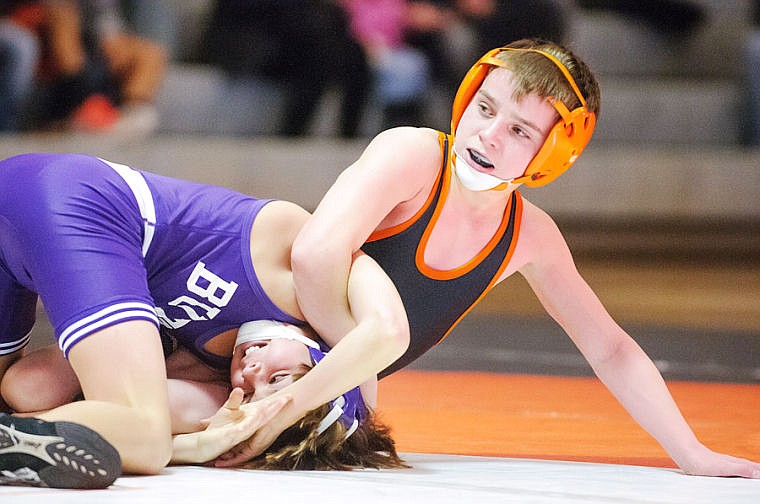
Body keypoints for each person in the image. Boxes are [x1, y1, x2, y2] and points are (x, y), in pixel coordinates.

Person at [279, 38, 760, 479]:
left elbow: (610, 348)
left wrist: (691, 452)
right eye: (484, 108)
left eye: (519, 130)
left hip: (284, 364)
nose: (489, 135)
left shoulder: (529, 236)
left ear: (552, 154)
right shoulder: (412, 155)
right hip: (231, 309)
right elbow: (314, 256)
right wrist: (360, 374)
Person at [0, 152, 409, 487]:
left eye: (250, 395)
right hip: (79, 199)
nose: (251, 373)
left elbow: (31, 386)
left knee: (21, 393)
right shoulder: (306, 267)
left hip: (17, 221)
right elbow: (388, 333)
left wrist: (220, 434)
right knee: (146, 437)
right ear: (324, 356)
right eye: (279, 378)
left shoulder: (214, 377)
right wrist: (286, 409)